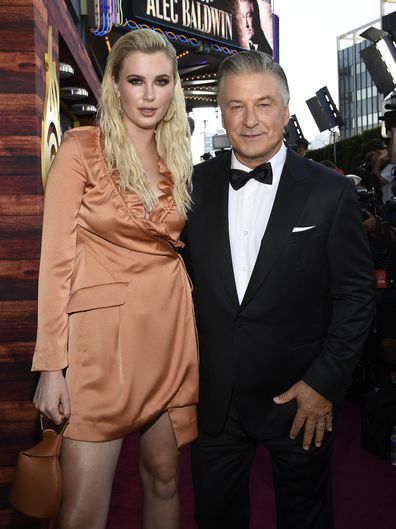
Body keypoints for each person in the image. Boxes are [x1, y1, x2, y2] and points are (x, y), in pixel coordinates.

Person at [182, 51, 375, 529]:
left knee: (305, 517)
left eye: (264, 105)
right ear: (221, 111)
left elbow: (356, 297)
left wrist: (322, 384)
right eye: (236, 106)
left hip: (300, 396)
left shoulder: (330, 192)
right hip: (215, 400)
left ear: (285, 111)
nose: (250, 121)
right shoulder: (190, 187)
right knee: (215, 517)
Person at [32, 29, 198, 529]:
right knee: (82, 511)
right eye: (136, 81)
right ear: (116, 86)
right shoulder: (82, 149)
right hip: (99, 349)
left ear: (174, 89)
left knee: (165, 479)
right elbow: (56, 260)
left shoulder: (179, 160)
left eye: (161, 81)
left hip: (169, 335)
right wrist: (51, 366)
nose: (149, 95)